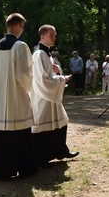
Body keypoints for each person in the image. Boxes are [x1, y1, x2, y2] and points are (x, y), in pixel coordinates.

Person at [0, 13, 35, 179]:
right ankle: (22, 166)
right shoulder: (20, 46)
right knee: (17, 128)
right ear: (17, 25)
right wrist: (27, 88)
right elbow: (24, 75)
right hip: (14, 98)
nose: (22, 30)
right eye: (22, 27)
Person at [30, 25, 78, 166]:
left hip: (51, 95)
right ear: (42, 36)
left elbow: (51, 73)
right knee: (43, 126)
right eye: (52, 35)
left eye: (55, 35)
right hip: (43, 96)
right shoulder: (39, 54)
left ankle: (60, 150)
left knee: (61, 121)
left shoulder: (47, 53)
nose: (54, 38)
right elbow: (42, 79)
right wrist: (62, 79)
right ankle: (41, 157)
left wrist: (58, 71)